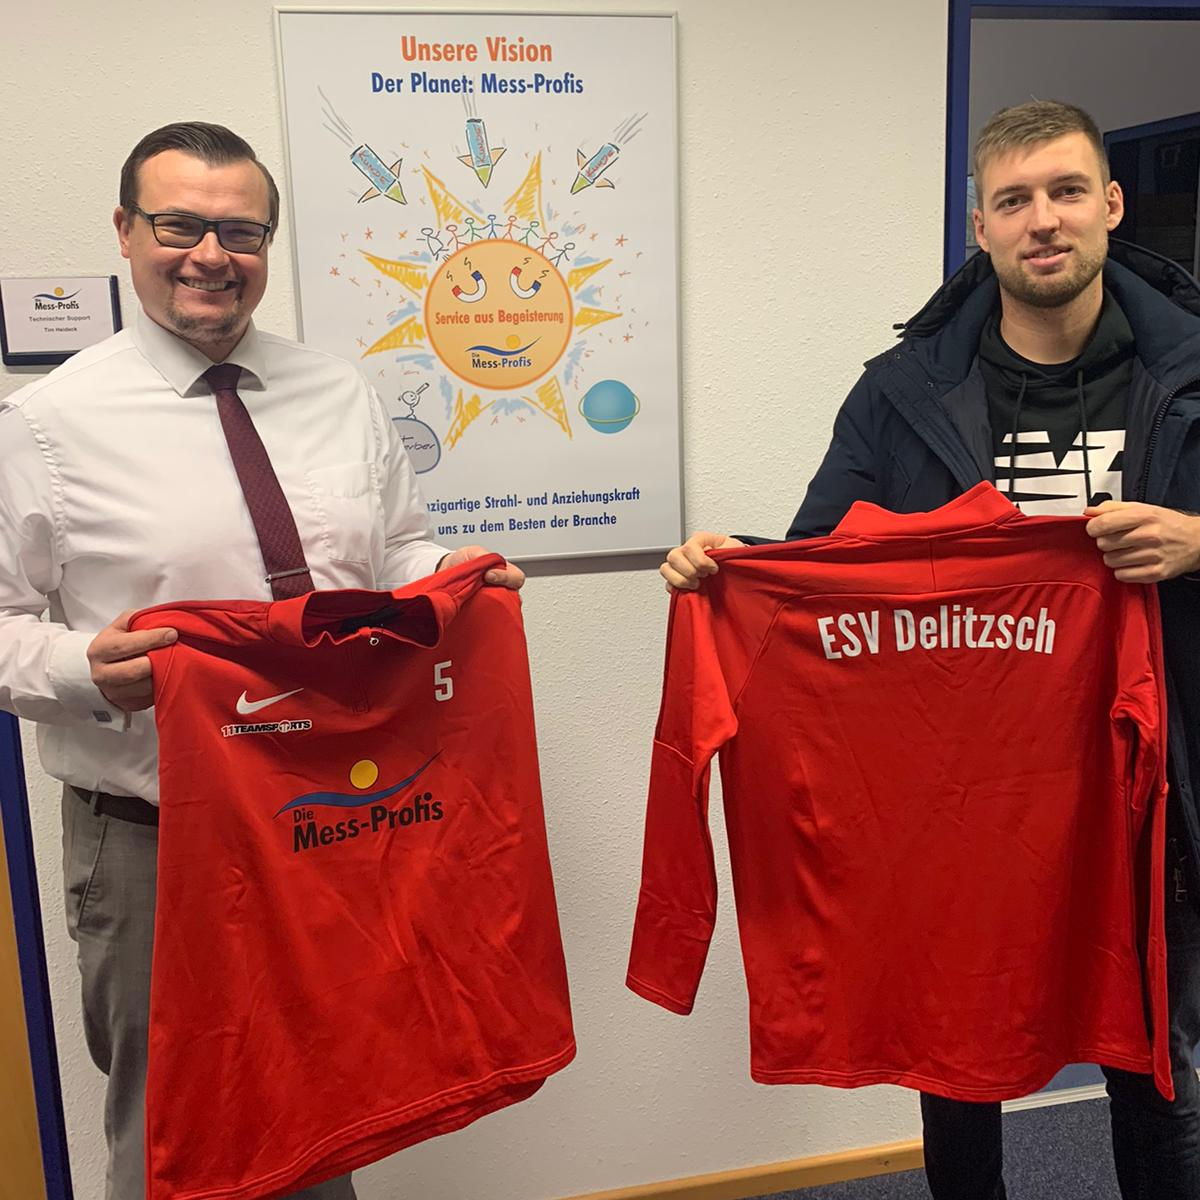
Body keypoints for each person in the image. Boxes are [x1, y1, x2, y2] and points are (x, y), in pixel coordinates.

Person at [661, 100, 1200, 1199]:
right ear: (980, 226)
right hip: (963, 792)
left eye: (1065, 191)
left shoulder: (1190, 371)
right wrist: (737, 568)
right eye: (1014, 200)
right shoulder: (904, 391)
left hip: (1152, 775)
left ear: (1111, 203)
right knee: (955, 1051)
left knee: (1156, 1065)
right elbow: (824, 558)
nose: (1042, 220)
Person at [0, 121, 522, 1200]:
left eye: (241, 232)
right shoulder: (46, 423)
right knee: (179, 1126)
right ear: (125, 232)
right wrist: (82, 669)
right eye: (180, 226)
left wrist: (455, 579)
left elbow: (397, 547)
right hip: (159, 836)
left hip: (338, 813)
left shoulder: (336, 392)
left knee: (330, 1092)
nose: (212, 255)